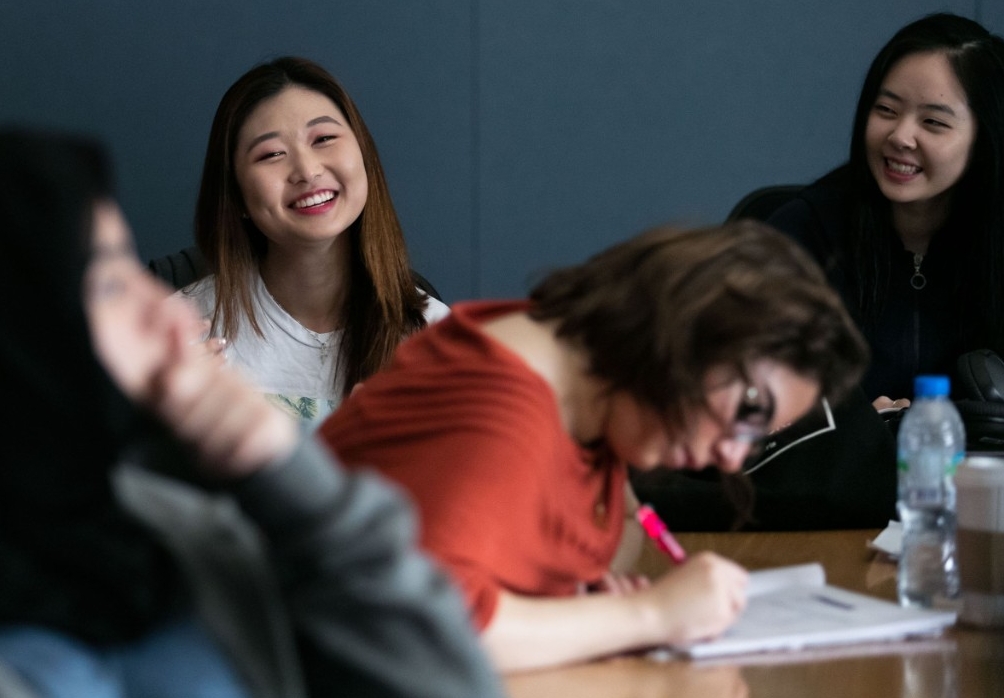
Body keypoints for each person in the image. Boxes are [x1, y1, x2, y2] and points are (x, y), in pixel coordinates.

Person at [0, 128, 503, 698]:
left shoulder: (180, 525)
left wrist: (282, 472)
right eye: (108, 284)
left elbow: (444, 683)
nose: (167, 316)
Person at [319, 222, 869, 672]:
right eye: (750, 411)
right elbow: (434, 636)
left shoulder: (592, 389)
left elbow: (612, 522)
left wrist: (581, 603)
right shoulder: (506, 412)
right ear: (691, 329)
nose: (734, 458)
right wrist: (650, 614)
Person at [180, 57, 448, 422]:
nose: (307, 170)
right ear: (236, 195)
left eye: (323, 139)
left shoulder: (436, 339)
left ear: (364, 155)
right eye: (272, 154)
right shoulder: (180, 333)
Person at [767, 12, 1004, 408]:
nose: (900, 137)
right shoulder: (802, 234)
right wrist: (854, 432)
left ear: (985, 138)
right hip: (836, 468)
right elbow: (744, 395)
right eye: (887, 111)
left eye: (932, 122)